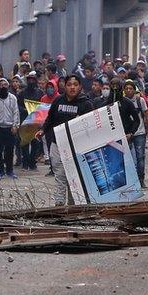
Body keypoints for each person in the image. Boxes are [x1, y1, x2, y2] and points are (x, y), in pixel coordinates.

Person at [40, 75, 94, 206]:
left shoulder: (86, 104)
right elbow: (50, 118)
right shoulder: (58, 101)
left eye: (75, 84)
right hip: (57, 144)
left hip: (76, 146)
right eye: (69, 84)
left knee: (73, 177)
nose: (72, 87)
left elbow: (92, 125)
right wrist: (43, 130)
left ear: (80, 87)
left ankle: (72, 205)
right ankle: (59, 204)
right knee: (60, 175)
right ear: (65, 86)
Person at [0, 77, 21, 180]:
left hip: (10, 128)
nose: (3, 86)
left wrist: (15, 125)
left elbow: (16, 112)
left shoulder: (12, 98)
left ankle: (9, 170)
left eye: (5, 84)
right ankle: (0, 170)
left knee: (10, 150)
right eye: (1, 85)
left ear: (8, 86)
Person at [123, 80, 148, 188]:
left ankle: (141, 179)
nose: (129, 90)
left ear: (134, 90)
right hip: (126, 133)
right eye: (127, 89)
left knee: (140, 157)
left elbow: (146, 116)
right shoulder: (122, 101)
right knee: (128, 157)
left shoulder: (140, 101)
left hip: (139, 132)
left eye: (131, 88)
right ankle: (131, 180)